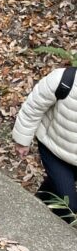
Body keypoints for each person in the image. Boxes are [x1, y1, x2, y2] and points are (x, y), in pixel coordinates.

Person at [12, 67, 77, 223]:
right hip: (54, 149)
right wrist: (22, 141)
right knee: (69, 206)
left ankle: (37, 204)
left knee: (58, 186)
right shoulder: (64, 79)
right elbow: (33, 107)